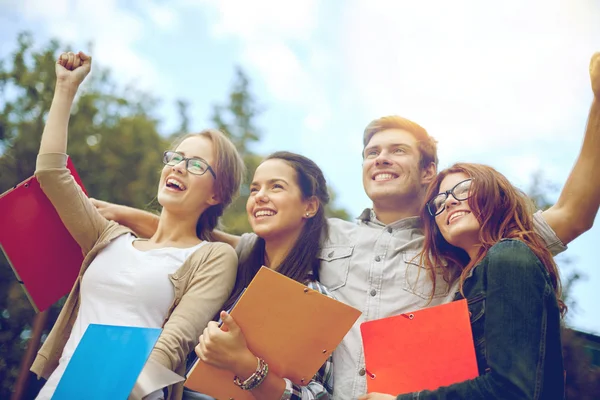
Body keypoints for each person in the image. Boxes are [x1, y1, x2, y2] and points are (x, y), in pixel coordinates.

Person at [96, 52, 600, 399]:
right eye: (371, 153)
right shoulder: (323, 235)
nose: (380, 159)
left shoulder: (455, 239)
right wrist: (118, 214)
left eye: (397, 150)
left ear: (429, 172)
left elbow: (572, 215)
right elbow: (214, 239)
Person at [32, 51, 244, 400]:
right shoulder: (107, 237)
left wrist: (123, 391)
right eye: (175, 158)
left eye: (194, 165)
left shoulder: (214, 256)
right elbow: (52, 175)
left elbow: (174, 343)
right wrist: (66, 88)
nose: (177, 167)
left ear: (217, 193)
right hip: (62, 390)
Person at [359, 163, 566, 399]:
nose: (448, 202)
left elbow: (511, 391)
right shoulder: (464, 288)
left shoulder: (508, 255)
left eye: (463, 189)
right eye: (438, 203)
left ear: (496, 195)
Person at [182, 151, 334, 400]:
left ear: (309, 206)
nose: (260, 196)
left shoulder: (314, 296)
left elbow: (318, 396)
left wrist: (245, 364)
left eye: (276, 187)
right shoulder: (228, 273)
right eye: (254, 189)